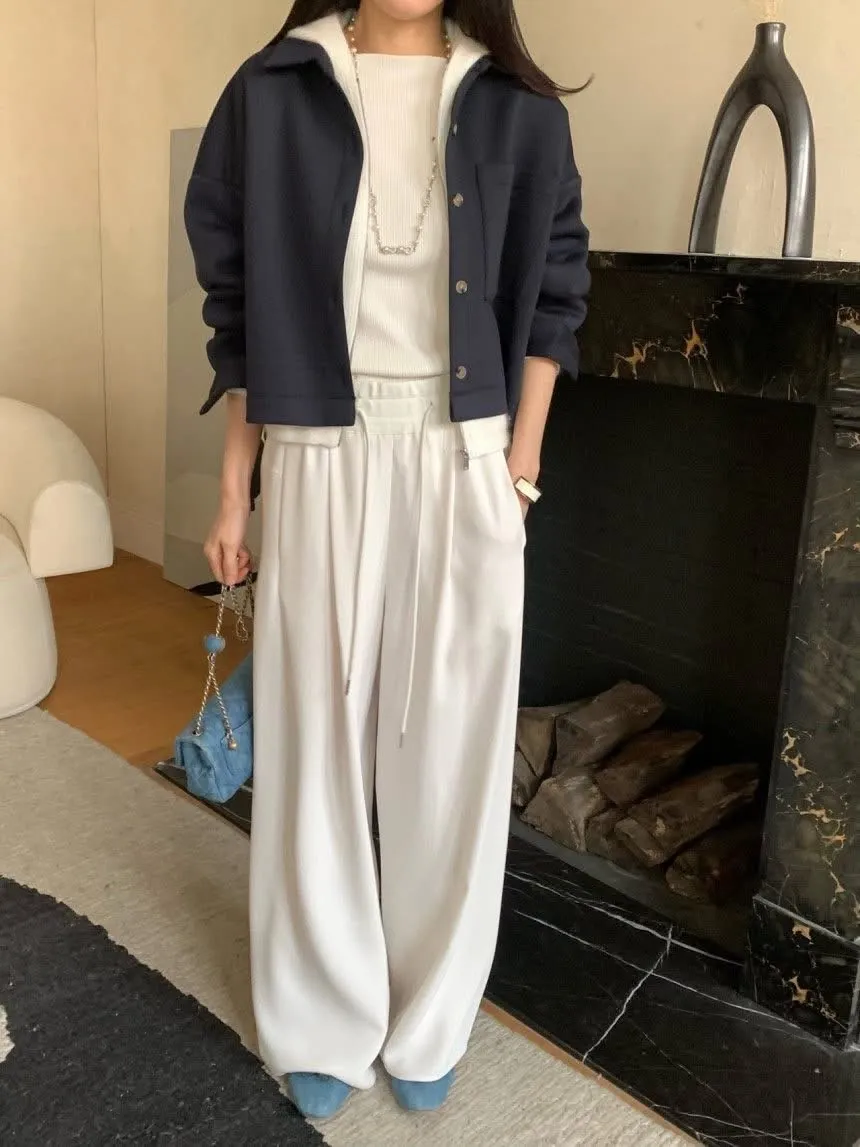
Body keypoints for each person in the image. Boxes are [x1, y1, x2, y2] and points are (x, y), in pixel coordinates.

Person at [185, 0, 589, 1120]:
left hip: (466, 457)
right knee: (314, 739)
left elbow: (557, 295)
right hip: (319, 449)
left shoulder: (519, 108)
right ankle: (320, 1011)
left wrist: (518, 468)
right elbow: (240, 307)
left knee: (452, 751)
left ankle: (429, 1015)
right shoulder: (274, 88)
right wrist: (234, 486)